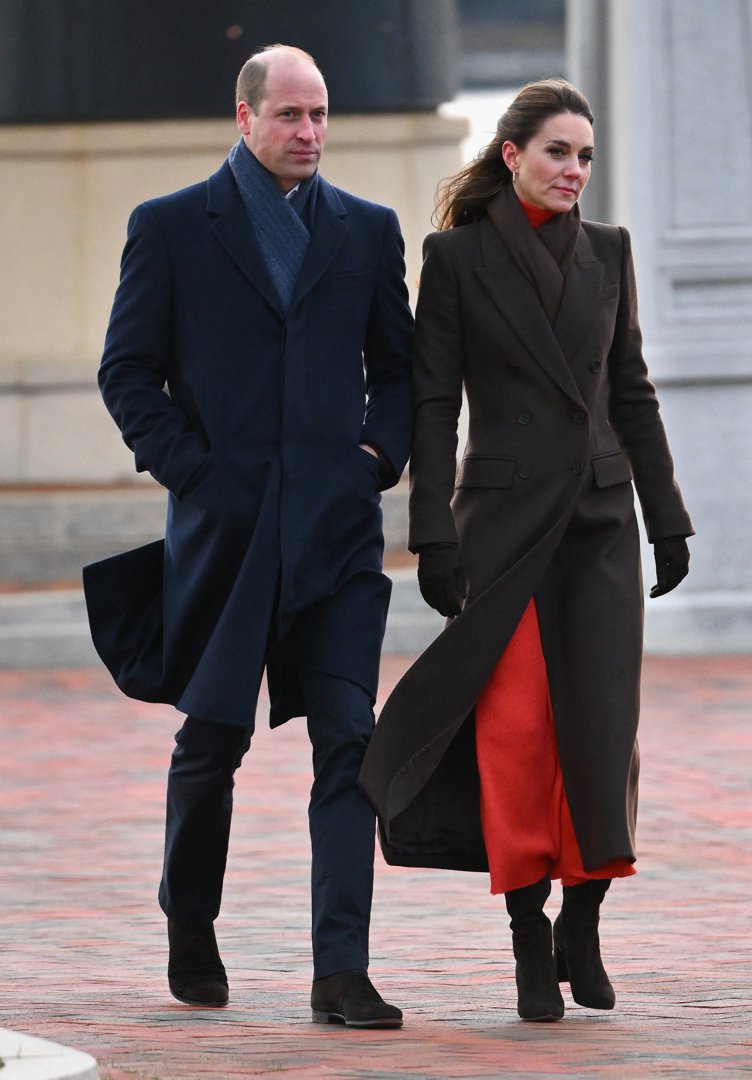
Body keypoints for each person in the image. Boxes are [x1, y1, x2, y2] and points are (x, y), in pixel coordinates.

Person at [84, 44, 413, 1028]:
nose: (308, 133)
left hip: (337, 533)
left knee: (350, 740)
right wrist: (197, 474)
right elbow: (127, 372)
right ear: (244, 118)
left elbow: (396, 372)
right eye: (290, 116)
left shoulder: (365, 230)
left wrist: (373, 458)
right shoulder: (174, 228)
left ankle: (339, 970)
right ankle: (190, 919)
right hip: (226, 535)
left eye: (319, 116)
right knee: (211, 742)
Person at [359, 78, 693, 1022]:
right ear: (512, 156)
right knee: (516, 740)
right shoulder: (455, 258)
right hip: (501, 529)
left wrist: (664, 513)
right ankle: (526, 933)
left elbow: (632, 392)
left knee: (600, 732)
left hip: (596, 523)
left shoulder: (610, 253)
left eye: (585, 156)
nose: (574, 171)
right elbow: (433, 403)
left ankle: (584, 914)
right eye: (557, 152)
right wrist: (432, 531)